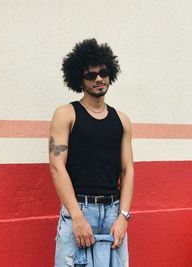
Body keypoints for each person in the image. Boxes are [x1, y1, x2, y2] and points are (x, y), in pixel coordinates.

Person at [49, 38, 134, 267]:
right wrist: (76, 216)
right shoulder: (66, 114)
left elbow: (128, 171)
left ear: (110, 73)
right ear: (80, 79)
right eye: (90, 75)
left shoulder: (122, 120)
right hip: (79, 210)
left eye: (103, 72)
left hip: (113, 214)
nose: (98, 79)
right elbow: (57, 166)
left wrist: (123, 217)